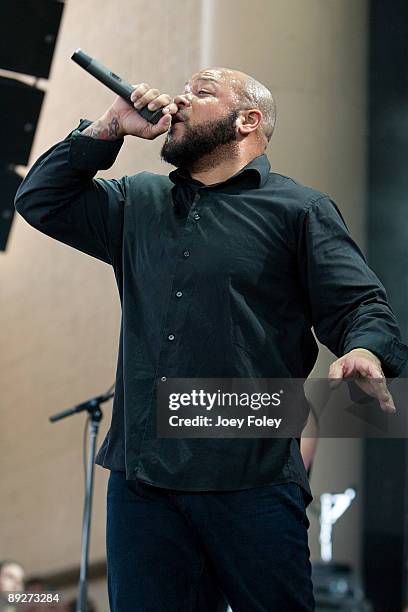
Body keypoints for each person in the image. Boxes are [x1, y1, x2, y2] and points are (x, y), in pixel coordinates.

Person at [15, 66, 408, 611]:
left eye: (202, 92)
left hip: (252, 475)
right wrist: (107, 128)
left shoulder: (299, 210)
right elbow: (40, 201)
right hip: (144, 480)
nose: (180, 98)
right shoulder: (137, 202)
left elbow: (362, 304)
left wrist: (364, 349)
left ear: (248, 121)